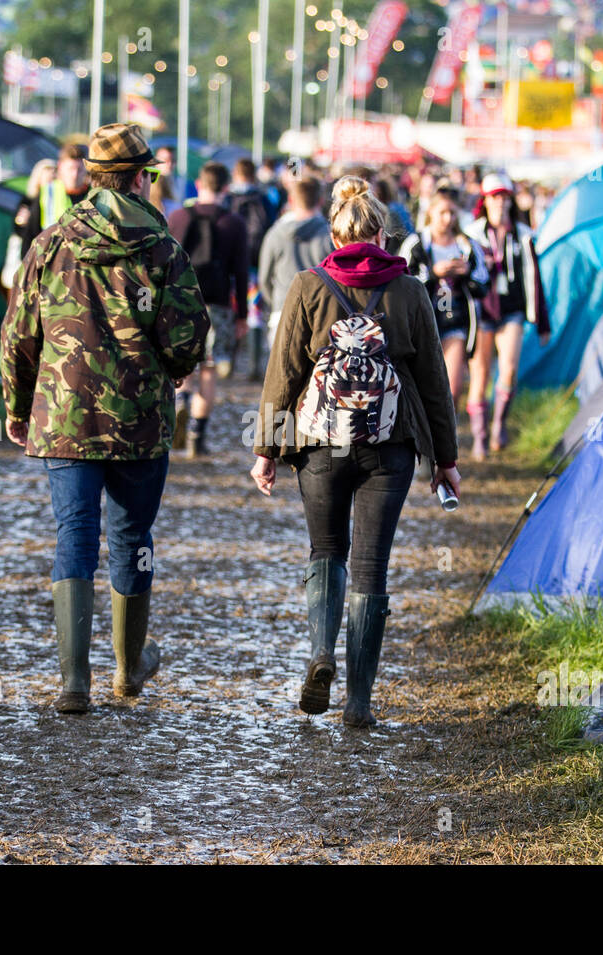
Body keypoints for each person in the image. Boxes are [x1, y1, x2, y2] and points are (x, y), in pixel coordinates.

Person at [1, 123, 210, 715]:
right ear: (141, 178)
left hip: (64, 417)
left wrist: (17, 407)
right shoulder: (162, 247)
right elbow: (189, 334)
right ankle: (127, 668)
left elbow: (20, 334)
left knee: (74, 536)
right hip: (140, 419)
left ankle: (74, 682)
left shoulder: (49, 244)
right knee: (131, 538)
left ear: (93, 176)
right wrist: (172, 367)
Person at [250, 176, 460, 728]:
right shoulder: (410, 290)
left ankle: (322, 652)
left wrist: (267, 448)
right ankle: (359, 701)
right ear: (382, 237)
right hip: (389, 448)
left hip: (320, 444)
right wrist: (446, 459)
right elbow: (433, 381)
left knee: (325, 549)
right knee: (371, 566)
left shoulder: (307, 287)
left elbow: (284, 375)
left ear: (336, 236)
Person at [463, 172, 551, 459]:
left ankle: (499, 423)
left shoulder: (523, 235)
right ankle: (480, 436)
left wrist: (542, 322)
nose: (499, 202)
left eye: (504, 197)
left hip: (512, 310)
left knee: (509, 367)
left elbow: (535, 279)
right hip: (481, 311)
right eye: (494, 197)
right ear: (485, 201)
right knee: (480, 373)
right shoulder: (473, 234)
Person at [167, 161, 249, 451]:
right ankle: (196, 438)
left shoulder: (177, 217)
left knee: (184, 363)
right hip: (218, 305)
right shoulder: (234, 223)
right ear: (226, 188)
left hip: (180, 304)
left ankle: (181, 400)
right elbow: (240, 271)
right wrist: (241, 316)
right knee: (209, 368)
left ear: (200, 184)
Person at [398, 188, 489, 409]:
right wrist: (432, 274)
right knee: (423, 388)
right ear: (431, 212)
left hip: (455, 319)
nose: (448, 219)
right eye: (443, 213)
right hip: (423, 323)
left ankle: (448, 435)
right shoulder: (416, 244)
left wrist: (466, 273)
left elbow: (483, 283)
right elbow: (401, 284)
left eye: (453, 213)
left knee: (452, 388)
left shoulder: (466, 245)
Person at [257, 176, 333, 350]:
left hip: (283, 310)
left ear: (291, 200)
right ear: (320, 201)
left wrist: (275, 300)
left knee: (279, 374)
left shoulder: (275, 234)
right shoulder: (330, 236)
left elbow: (265, 278)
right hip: (320, 314)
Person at [13, 142, 89, 254]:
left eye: (79, 169)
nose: (75, 175)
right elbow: (31, 235)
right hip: (51, 264)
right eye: (71, 169)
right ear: (60, 167)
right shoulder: (47, 193)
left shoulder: (93, 195)